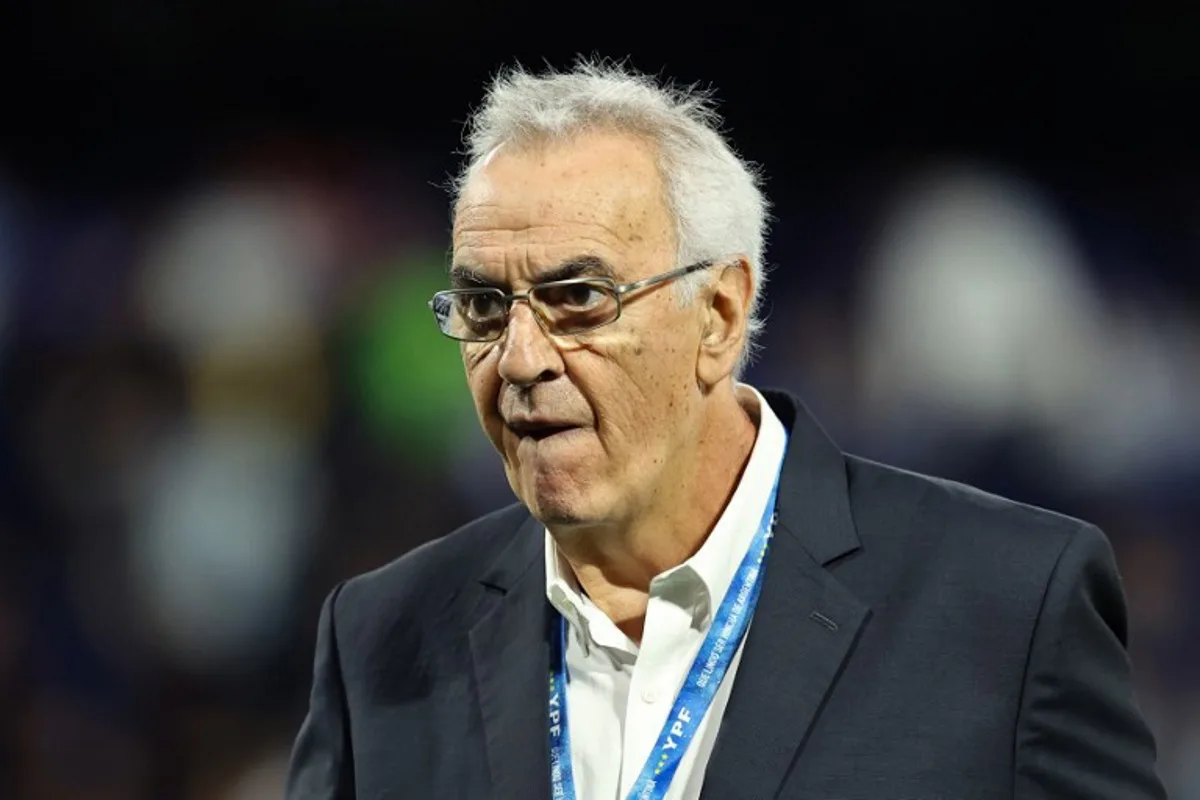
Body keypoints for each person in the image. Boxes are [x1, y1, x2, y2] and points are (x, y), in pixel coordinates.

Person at [286, 60, 1166, 800]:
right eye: (483, 305)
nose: (519, 359)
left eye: (578, 299)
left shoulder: (1008, 606)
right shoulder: (381, 639)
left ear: (719, 314)